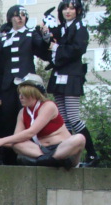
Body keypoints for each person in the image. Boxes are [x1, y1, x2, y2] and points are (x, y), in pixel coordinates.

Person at [0, 5, 51, 164]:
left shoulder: (31, 34)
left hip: (27, 85)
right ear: (10, 18)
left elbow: (42, 51)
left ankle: (31, 155)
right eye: (16, 15)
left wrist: (46, 37)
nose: (20, 18)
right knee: (8, 120)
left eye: (23, 15)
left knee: (28, 118)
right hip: (8, 87)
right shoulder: (4, 37)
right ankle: (9, 158)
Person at [0, 74, 84, 168]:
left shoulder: (48, 106)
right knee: (17, 144)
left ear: (34, 94)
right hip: (41, 152)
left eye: (24, 94)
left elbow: (31, 132)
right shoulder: (22, 113)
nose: (20, 97)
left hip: (62, 149)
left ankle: (53, 159)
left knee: (79, 138)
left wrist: (1, 141)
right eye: (20, 94)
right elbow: (16, 139)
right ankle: (49, 160)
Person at [46, 0, 98, 167]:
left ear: (78, 11)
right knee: (64, 121)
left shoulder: (80, 28)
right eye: (65, 8)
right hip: (59, 74)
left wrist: (56, 48)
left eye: (71, 8)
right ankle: (68, 155)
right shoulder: (62, 28)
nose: (68, 11)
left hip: (72, 75)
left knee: (74, 118)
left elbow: (77, 50)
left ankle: (92, 154)